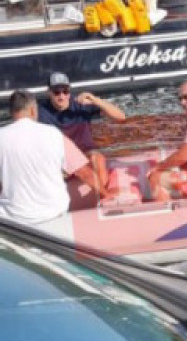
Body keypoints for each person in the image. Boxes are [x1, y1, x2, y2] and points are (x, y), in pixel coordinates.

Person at [0, 89, 103, 225]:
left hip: (13, 219)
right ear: (33, 110)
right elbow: (84, 173)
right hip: (54, 214)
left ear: (11, 112)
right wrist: (106, 194)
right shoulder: (54, 134)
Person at [39, 71, 127, 191]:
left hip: (86, 152)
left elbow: (121, 117)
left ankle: (101, 196)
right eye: (56, 92)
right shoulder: (41, 111)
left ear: (69, 91)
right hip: (61, 158)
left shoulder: (81, 104)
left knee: (97, 158)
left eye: (65, 91)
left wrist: (95, 100)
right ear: (49, 92)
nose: (61, 96)